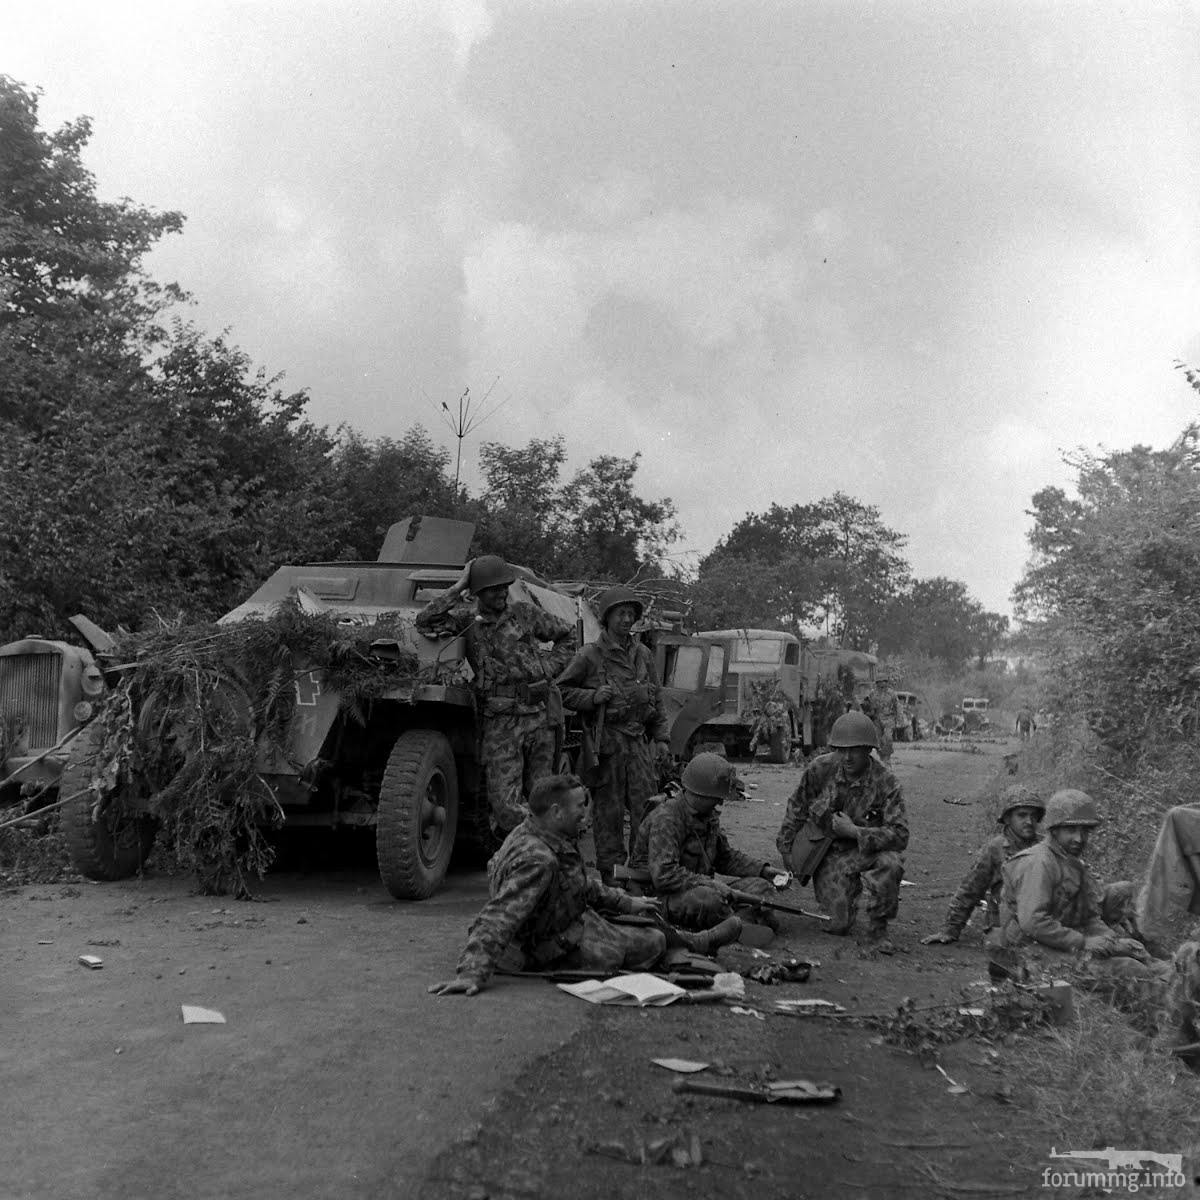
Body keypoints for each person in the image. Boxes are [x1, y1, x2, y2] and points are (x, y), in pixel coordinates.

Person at [428, 774, 672, 996]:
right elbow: (499, 914)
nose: (585, 815)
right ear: (556, 811)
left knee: (652, 936)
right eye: (579, 806)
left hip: (565, 919)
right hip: (545, 945)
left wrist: (626, 902)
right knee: (648, 946)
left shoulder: (538, 830)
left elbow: (579, 884)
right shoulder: (538, 860)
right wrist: (471, 971)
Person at [415, 555, 575, 835]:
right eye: (493, 588)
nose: (501, 592)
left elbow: (568, 635)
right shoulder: (468, 621)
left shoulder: (525, 613)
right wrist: (458, 586)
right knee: (505, 806)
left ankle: (546, 857)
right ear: (477, 592)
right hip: (500, 722)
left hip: (538, 716)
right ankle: (539, 842)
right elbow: (425, 620)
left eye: (504, 586)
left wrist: (549, 668)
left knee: (546, 798)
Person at [995, 789, 1170, 986]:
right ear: (1054, 830)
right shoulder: (1039, 863)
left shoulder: (1071, 863)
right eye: (1071, 830)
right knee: (1130, 969)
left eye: (1085, 831)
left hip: (1058, 942)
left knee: (1145, 957)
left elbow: (1088, 916)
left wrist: (1110, 942)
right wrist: (1084, 942)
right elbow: (1033, 923)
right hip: (1030, 951)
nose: (1079, 838)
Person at [557, 587, 670, 882]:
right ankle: (612, 876)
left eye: (631, 614)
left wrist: (661, 739)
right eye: (621, 613)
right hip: (608, 744)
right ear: (607, 618)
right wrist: (593, 697)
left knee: (648, 809)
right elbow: (562, 692)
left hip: (639, 743)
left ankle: (641, 873)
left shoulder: (643, 654)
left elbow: (656, 699)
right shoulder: (590, 655)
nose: (626, 618)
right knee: (608, 814)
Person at [776, 711, 908, 952]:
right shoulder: (821, 769)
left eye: (854, 750)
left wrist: (855, 832)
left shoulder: (886, 782)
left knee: (891, 862)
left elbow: (900, 835)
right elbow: (797, 806)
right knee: (837, 926)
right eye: (841, 749)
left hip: (864, 850)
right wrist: (786, 849)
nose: (847, 757)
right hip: (830, 855)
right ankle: (847, 899)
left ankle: (878, 931)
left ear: (868, 749)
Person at [630, 752, 779, 933]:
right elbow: (664, 876)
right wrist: (710, 884)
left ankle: (735, 923)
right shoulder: (667, 818)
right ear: (700, 794)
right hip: (661, 898)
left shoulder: (707, 816)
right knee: (709, 899)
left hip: (696, 889)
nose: (721, 803)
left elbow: (725, 857)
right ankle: (738, 924)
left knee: (761, 887)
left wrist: (763, 870)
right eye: (716, 798)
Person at [921, 785, 1044, 945]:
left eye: (1034, 816)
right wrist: (950, 929)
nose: (1029, 821)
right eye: (1022, 815)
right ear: (1007, 818)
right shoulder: (996, 848)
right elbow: (971, 889)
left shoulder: (1046, 847)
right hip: (1004, 925)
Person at [868, 675, 900, 760]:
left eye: (884, 682)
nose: (882, 684)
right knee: (877, 741)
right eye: (880, 682)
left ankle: (887, 758)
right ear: (877, 683)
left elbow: (897, 706)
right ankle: (882, 757)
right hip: (876, 720)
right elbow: (868, 706)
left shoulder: (892, 693)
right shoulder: (872, 694)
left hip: (889, 719)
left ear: (886, 682)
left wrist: (898, 719)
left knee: (888, 738)